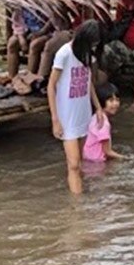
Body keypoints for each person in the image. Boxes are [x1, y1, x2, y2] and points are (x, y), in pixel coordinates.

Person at [47, 20, 105, 194]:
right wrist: (55, 119)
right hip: (67, 116)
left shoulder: (87, 55)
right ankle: (77, 208)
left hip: (83, 113)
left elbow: (88, 83)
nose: (93, 47)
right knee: (73, 164)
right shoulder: (64, 54)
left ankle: (79, 192)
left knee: (79, 161)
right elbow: (51, 86)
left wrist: (98, 107)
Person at [83, 82, 124, 163]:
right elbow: (107, 152)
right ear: (101, 101)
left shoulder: (95, 117)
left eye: (117, 100)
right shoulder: (104, 123)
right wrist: (125, 158)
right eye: (111, 100)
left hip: (87, 158)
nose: (115, 104)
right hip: (97, 163)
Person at [6, 8, 51, 77]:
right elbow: (18, 23)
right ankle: (12, 76)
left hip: (47, 32)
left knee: (34, 45)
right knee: (12, 43)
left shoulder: (47, 4)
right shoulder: (21, 5)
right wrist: (21, 38)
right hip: (29, 31)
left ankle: (29, 77)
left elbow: (52, 21)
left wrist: (41, 32)